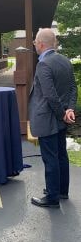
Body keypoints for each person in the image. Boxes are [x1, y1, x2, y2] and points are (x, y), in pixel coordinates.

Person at [29, 28, 77, 208]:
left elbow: (49, 96)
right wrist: (69, 109)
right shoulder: (65, 60)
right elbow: (73, 87)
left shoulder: (43, 64)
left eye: (35, 42)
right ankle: (61, 191)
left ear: (41, 44)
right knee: (61, 156)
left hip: (49, 119)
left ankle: (52, 198)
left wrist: (62, 114)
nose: (34, 44)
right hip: (60, 118)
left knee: (50, 158)